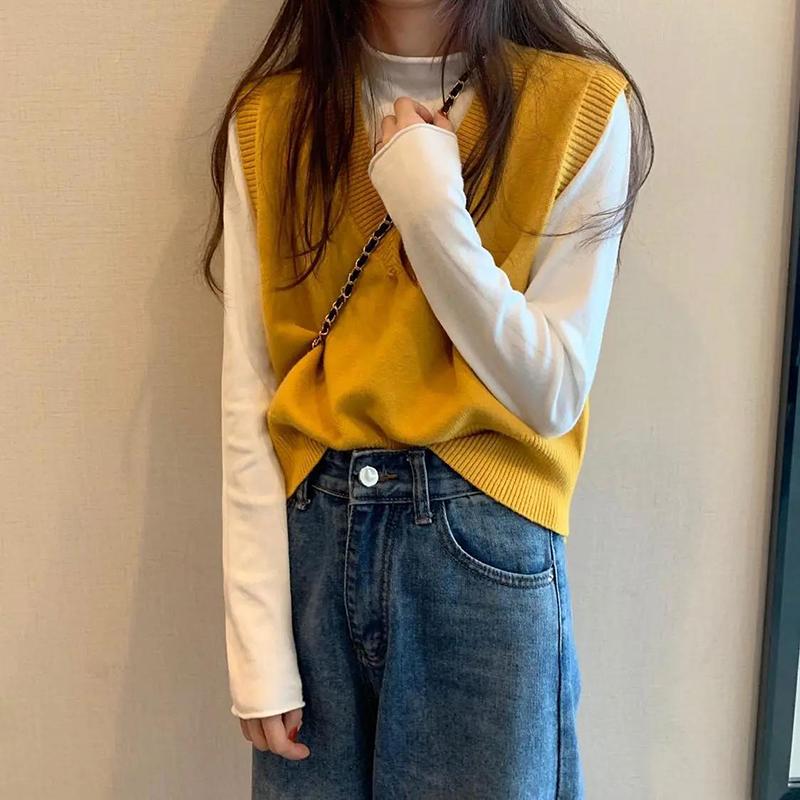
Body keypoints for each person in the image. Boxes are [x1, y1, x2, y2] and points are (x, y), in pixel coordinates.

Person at [202, 1, 653, 797]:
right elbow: (252, 391)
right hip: (312, 552)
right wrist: (257, 645)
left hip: (483, 556)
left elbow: (551, 388)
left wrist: (427, 202)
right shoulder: (271, 121)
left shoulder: (580, 107)